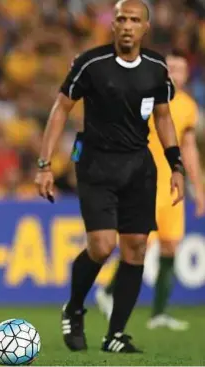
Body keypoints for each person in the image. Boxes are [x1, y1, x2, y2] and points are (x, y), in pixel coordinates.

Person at [35, 0, 185, 353]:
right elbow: (61, 110)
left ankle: (115, 334)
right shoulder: (91, 63)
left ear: (145, 28)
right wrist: (44, 165)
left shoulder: (156, 67)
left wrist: (176, 165)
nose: (128, 25)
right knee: (102, 246)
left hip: (139, 166)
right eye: (121, 19)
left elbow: (163, 117)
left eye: (135, 20)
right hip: (95, 164)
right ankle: (74, 308)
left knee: (135, 249)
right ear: (113, 25)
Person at [95, 50, 205, 330]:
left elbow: (188, 148)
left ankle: (159, 314)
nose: (177, 73)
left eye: (181, 69)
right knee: (140, 243)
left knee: (171, 245)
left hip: (173, 187)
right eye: (172, 68)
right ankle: (107, 294)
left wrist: (199, 189)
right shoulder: (144, 98)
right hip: (144, 182)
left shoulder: (188, 106)